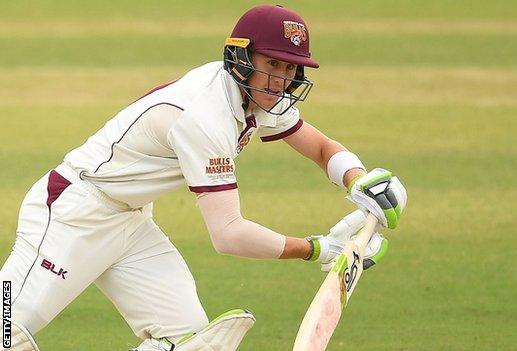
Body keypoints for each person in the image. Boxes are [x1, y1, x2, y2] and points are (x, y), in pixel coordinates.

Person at [0, 4, 407, 351]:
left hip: (130, 222)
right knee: (6, 331)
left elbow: (319, 147)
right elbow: (228, 234)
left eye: (290, 69)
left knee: (191, 341)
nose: (281, 80)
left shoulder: (257, 94)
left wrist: (358, 180)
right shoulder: (203, 115)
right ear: (241, 58)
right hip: (73, 212)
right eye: (272, 65)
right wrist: (317, 248)